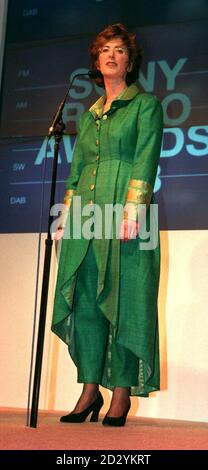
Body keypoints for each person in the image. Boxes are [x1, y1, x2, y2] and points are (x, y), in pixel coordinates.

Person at [52, 23, 163, 426]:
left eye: (119, 50)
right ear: (96, 62)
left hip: (125, 212)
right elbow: (77, 169)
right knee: (85, 300)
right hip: (86, 213)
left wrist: (134, 210)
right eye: (104, 50)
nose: (111, 55)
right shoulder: (91, 115)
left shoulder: (145, 105)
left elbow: (146, 158)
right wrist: (65, 215)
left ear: (130, 61)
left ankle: (119, 394)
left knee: (126, 299)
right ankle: (88, 391)